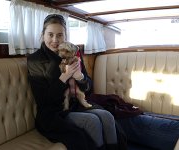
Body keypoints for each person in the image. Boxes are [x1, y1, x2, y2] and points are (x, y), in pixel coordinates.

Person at [27, 14, 118, 150]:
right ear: (43, 35)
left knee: (107, 117)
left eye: (60, 35)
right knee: (92, 122)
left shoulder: (74, 54)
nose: (55, 40)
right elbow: (43, 100)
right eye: (50, 35)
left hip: (75, 104)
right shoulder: (35, 60)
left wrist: (80, 77)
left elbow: (88, 88)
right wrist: (65, 76)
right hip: (53, 113)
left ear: (65, 36)